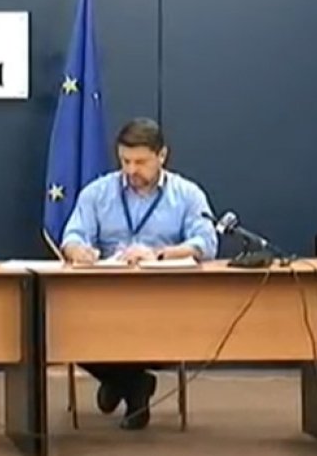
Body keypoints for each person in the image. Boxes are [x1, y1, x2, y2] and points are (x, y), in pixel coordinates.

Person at [59, 117, 218, 430]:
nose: (131, 170)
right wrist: (78, 251)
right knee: (62, 328)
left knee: (150, 327)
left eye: (141, 162)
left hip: (165, 302)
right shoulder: (97, 193)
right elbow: (72, 237)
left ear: (162, 156)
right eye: (125, 161)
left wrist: (160, 254)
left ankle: (120, 383)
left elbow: (206, 243)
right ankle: (133, 384)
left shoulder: (187, 195)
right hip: (104, 301)